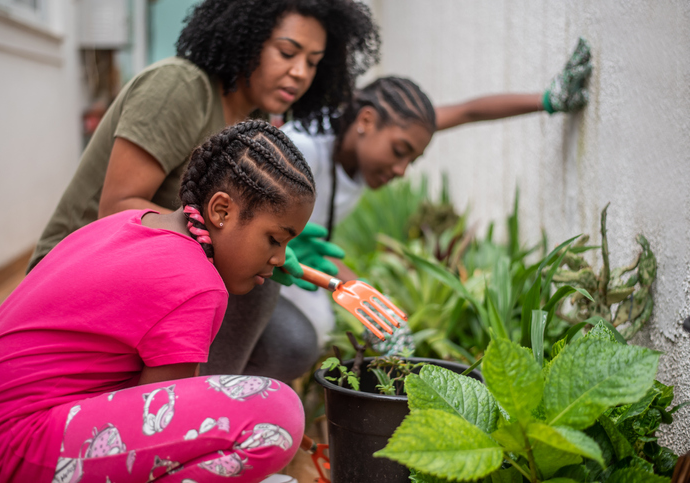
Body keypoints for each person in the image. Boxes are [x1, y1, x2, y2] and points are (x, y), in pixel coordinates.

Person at [25, 0, 380, 377]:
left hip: (160, 273)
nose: (299, 72)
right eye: (287, 52)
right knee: (256, 288)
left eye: (313, 62)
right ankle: (198, 417)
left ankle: (217, 405)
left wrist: (276, 241)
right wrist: (243, 239)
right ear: (246, 35)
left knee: (291, 343)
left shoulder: (253, 119)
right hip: (80, 272)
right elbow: (117, 206)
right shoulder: (179, 87)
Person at [0, 121, 316, 483]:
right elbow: (161, 433)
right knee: (277, 415)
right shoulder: (197, 284)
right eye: (275, 239)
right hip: (8, 454)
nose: (280, 258)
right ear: (222, 211)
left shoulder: (131, 222)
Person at [244, 38, 593, 380]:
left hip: (294, 254)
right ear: (365, 121)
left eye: (413, 158)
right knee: (293, 340)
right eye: (399, 152)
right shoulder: (299, 149)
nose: (402, 169)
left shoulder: (376, 138)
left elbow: (467, 111)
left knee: (317, 328)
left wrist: (548, 100)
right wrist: (360, 291)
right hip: (252, 254)